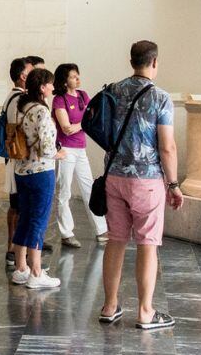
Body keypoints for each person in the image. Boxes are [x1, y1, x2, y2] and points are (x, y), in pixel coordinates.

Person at [98, 41, 184, 329]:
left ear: (131, 60)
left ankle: (109, 306)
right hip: (146, 180)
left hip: (114, 175)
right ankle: (146, 311)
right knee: (148, 243)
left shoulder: (113, 89)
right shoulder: (160, 97)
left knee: (116, 240)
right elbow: (167, 146)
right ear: (155, 62)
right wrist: (173, 184)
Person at [8, 68, 65, 289]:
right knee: (38, 221)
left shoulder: (21, 107)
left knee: (25, 218)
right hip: (41, 171)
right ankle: (36, 272)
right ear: (42, 87)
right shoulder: (41, 110)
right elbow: (47, 146)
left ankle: (20, 268)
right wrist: (59, 153)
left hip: (22, 170)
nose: (53, 87)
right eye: (50, 84)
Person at [51, 63, 107, 248]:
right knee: (64, 191)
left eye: (78, 75)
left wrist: (83, 123)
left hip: (81, 148)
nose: (77, 79)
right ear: (65, 81)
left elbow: (95, 116)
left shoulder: (83, 95)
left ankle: (101, 229)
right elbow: (66, 128)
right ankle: (67, 233)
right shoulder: (59, 100)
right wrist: (84, 123)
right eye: (73, 76)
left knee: (89, 188)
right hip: (65, 150)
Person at [3, 55, 48, 266]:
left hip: (20, 165)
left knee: (24, 213)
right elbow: (46, 146)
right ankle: (32, 266)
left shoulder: (19, 103)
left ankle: (20, 260)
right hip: (34, 167)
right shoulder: (34, 108)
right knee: (32, 216)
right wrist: (57, 152)